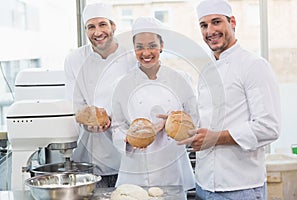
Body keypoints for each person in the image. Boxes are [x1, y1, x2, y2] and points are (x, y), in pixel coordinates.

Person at [178, 0, 281, 199]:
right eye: (204, 25)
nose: (210, 31)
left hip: (241, 188)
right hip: (204, 185)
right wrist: (179, 120)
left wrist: (217, 138)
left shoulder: (254, 66)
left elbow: (269, 127)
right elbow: (209, 122)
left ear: (232, 22)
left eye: (216, 22)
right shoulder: (207, 70)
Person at [111, 16, 198, 192]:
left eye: (152, 45)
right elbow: (117, 126)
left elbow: (195, 121)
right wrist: (131, 138)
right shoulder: (121, 84)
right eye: (139, 47)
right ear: (133, 49)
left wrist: (175, 123)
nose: (146, 53)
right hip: (135, 169)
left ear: (162, 45)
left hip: (172, 169)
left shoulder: (181, 79)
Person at [64, 3, 135, 187]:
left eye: (102, 24)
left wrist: (113, 118)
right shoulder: (74, 60)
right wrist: (87, 121)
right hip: (91, 161)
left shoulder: (131, 57)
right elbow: (74, 104)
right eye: (91, 27)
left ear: (113, 26)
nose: (97, 32)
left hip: (127, 158)